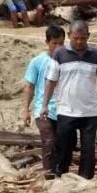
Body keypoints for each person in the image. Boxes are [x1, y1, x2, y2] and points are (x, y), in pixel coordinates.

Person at [40, 20, 97, 179]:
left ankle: (86, 180)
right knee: (64, 146)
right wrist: (44, 105)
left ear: (88, 37)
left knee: (88, 148)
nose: (79, 41)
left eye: (83, 38)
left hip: (89, 112)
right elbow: (51, 81)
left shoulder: (96, 55)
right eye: (75, 38)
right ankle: (61, 176)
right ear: (69, 36)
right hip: (66, 110)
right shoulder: (59, 54)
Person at [21, 25, 65, 176]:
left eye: (61, 43)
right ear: (47, 42)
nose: (58, 47)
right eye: (55, 43)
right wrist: (25, 110)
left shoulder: (68, 61)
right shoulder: (37, 61)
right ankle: (49, 174)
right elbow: (30, 87)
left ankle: (60, 173)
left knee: (62, 143)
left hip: (64, 109)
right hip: (43, 109)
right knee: (49, 141)